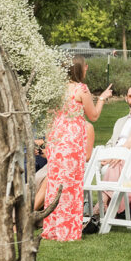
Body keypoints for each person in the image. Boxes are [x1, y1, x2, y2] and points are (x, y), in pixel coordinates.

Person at [42, 57, 112, 242]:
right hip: (72, 140)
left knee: (55, 183)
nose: (87, 68)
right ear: (79, 69)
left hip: (57, 138)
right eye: (85, 66)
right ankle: (68, 231)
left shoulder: (58, 89)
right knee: (71, 185)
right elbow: (94, 116)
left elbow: (51, 113)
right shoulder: (82, 89)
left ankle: (53, 228)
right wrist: (102, 98)